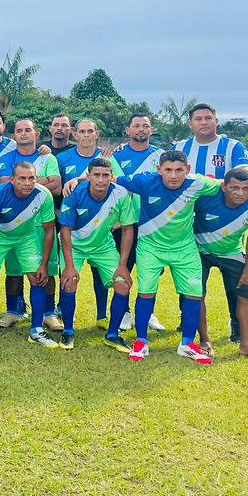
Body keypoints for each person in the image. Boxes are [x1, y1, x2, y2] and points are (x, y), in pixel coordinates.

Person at [111, 151, 222, 363]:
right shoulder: (144, 180)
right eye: (168, 170)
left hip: (185, 249)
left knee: (193, 294)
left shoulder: (197, 183)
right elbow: (112, 179)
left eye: (179, 170)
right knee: (146, 292)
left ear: (187, 170)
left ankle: (187, 344)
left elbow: (226, 184)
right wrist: (79, 179)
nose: (173, 175)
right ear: (159, 169)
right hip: (150, 247)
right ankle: (141, 341)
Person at [57, 158, 137, 351]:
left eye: (105, 175)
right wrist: (68, 266)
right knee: (70, 280)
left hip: (103, 246)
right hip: (74, 245)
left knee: (122, 283)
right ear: (88, 176)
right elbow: (65, 229)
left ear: (111, 176)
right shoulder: (74, 192)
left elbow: (127, 229)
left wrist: (122, 265)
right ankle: (68, 331)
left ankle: (112, 334)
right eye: (97, 175)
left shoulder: (121, 194)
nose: (101, 180)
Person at [0, 118, 62, 330]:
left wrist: (25, 182)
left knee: (47, 271)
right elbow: (5, 183)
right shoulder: (7, 157)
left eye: (28, 130)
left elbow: (57, 185)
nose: (24, 134)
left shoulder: (47, 157)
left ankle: (48, 313)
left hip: (42, 224)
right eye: (19, 131)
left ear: (36, 133)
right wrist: (40, 181)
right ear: (13, 136)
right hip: (14, 224)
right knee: (14, 271)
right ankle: (13, 310)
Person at [57, 119, 123, 328]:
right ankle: (64, 313)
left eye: (90, 131)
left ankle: (102, 316)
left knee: (100, 272)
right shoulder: (62, 158)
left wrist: (79, 179)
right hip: (71, 223)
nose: (86, 135)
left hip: (101, 226)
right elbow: (58, 188)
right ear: (75, 134)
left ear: (97, 134)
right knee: (67, 272)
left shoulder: (107, 158)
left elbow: (115, 183)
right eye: (82, 131)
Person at [0, 162, 58, 348]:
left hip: (26, 236)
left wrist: (43, 264)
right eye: (22, 178)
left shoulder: (43, 195)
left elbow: (49, 230)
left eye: (31, 178)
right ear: (12, 179)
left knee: (37, 277)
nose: (27, 183)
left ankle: (36, 330)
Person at [193, 166, 248, 360]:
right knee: (196, 293)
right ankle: (204, 340)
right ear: (224, 187)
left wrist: (247, 271)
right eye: (235, 188)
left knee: (247, 292)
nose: (240, 193)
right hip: (200, 250)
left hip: (231, 252)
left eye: (245, 189)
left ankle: (246, 345)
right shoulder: (206, 199)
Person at [110, 113, 164, 332]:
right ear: (128, 130)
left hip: (152, 222)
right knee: (124, 265)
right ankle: (124, 312)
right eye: (136, 126)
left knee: (151, 270)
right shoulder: (117, 155)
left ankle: (148, 311)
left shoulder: (161, 156)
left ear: (152, 130)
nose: (141, 129)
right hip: (123, 222)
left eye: (146, 126)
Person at [172, 103, 248, 178]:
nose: (204, 122)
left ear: (216, 121)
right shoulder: (178, 148)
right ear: (190, 124)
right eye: (198, 119)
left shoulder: (233, 146)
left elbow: (244, 176)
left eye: (208, 118)